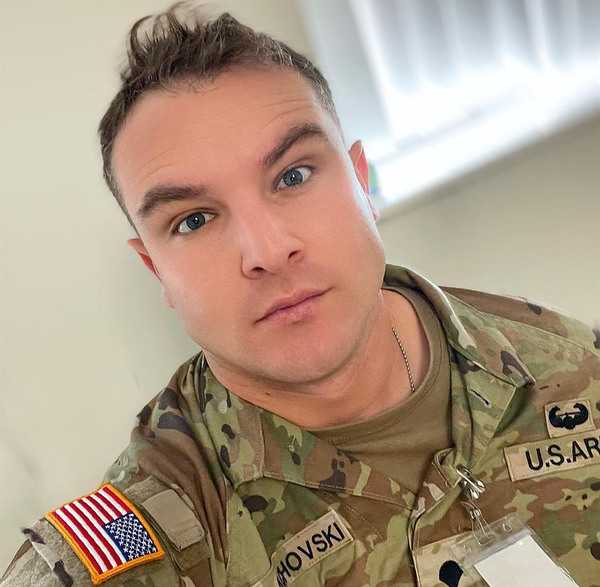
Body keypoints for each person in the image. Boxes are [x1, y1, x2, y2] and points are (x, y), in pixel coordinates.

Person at [2, 4, 599, 587]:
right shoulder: (133, 550)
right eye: (194, 220)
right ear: (157, 271)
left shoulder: (576, 367)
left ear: (361, 182)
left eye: (293, 175)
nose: (267, 250)